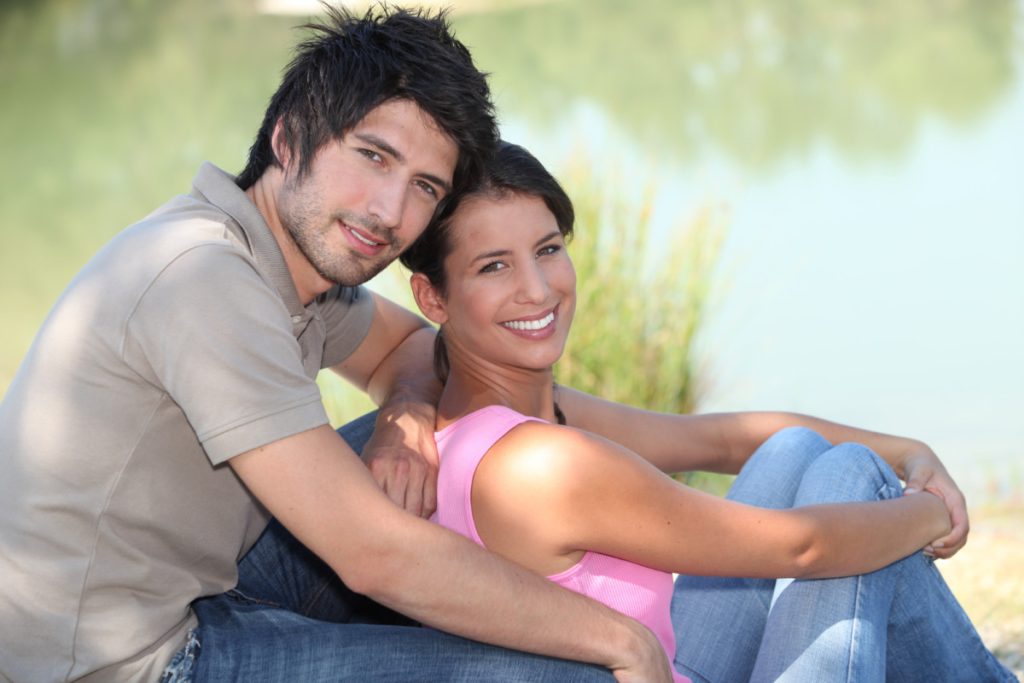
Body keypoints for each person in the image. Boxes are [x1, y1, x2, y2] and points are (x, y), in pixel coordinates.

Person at [0, 8, 673, 683]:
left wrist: (402, 419)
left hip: (194, 591)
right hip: (120, 663)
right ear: (289, 140)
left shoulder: (292, 270)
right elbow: (372, 555)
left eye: (423, 187)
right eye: (373, 156)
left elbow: (413, 346)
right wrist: (618, 638)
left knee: (435, 435)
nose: (388, 211)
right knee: (575, 675)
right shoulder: (203, 279)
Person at [400, 141, 1015, 682]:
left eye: (548, 248)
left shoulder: (508, 419)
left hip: (674, 666)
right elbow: (802, 549)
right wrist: (930, 511)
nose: (537, 289)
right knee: (857, 478)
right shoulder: (540, 465)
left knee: (795, 451)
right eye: (494, 266)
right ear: (432, 296)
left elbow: (720, 441)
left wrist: (910, 452)